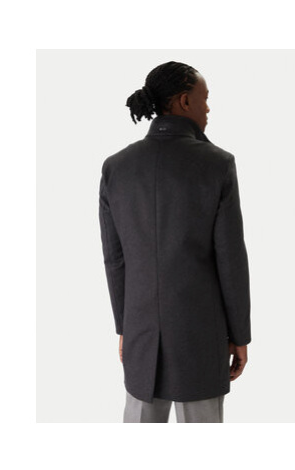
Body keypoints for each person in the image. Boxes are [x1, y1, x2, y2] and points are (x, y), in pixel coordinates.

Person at [98, 61, 251, 423]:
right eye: (205, 98)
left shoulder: (115, 167)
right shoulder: (217, 164)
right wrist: (239, 334)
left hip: (140, 332)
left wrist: (125, 327)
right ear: (184, 101)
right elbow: (230, 258)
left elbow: (115, 260)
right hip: (201, 333)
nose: (208, 108)